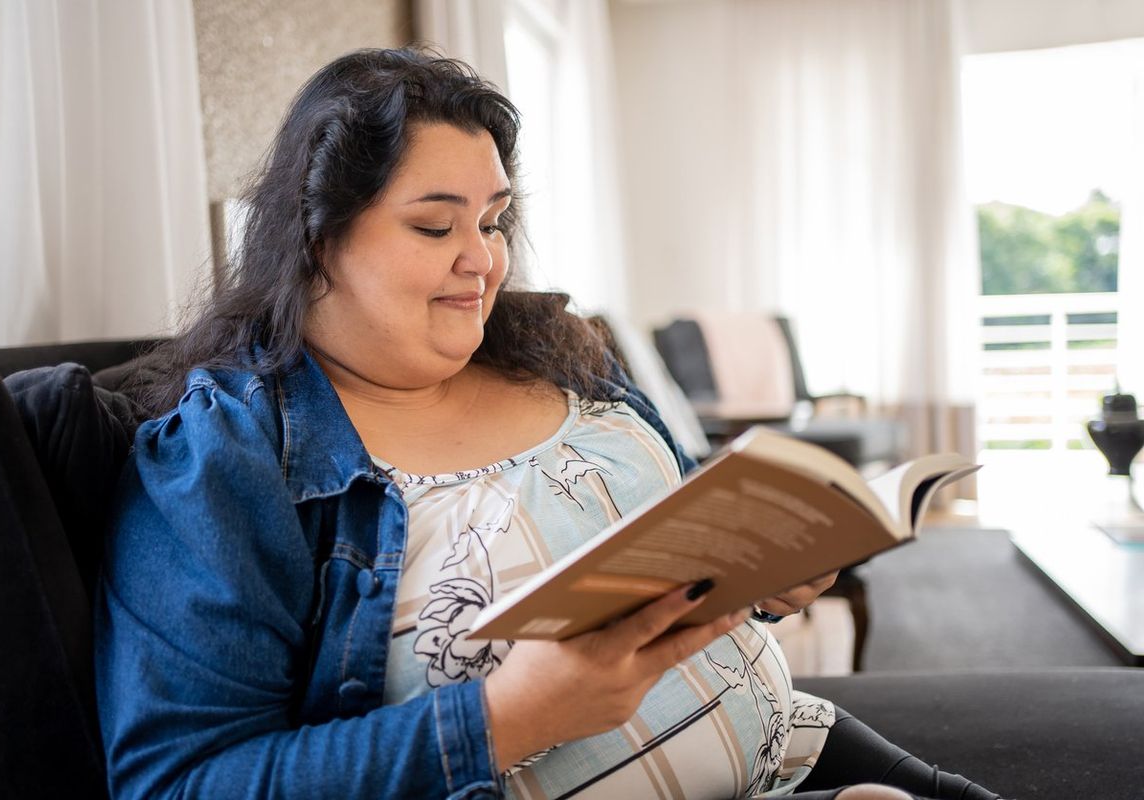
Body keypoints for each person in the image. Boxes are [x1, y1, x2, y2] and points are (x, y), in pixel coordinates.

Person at [95, 48, 1001, 800]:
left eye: (494, 220)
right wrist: (508, 720)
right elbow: (181, 783)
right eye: (433, 226)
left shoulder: (553, 346)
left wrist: (762, 574)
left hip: (798, 742)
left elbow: (677, 541)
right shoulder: (225, 459)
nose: (481, 261)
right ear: (316, 236)